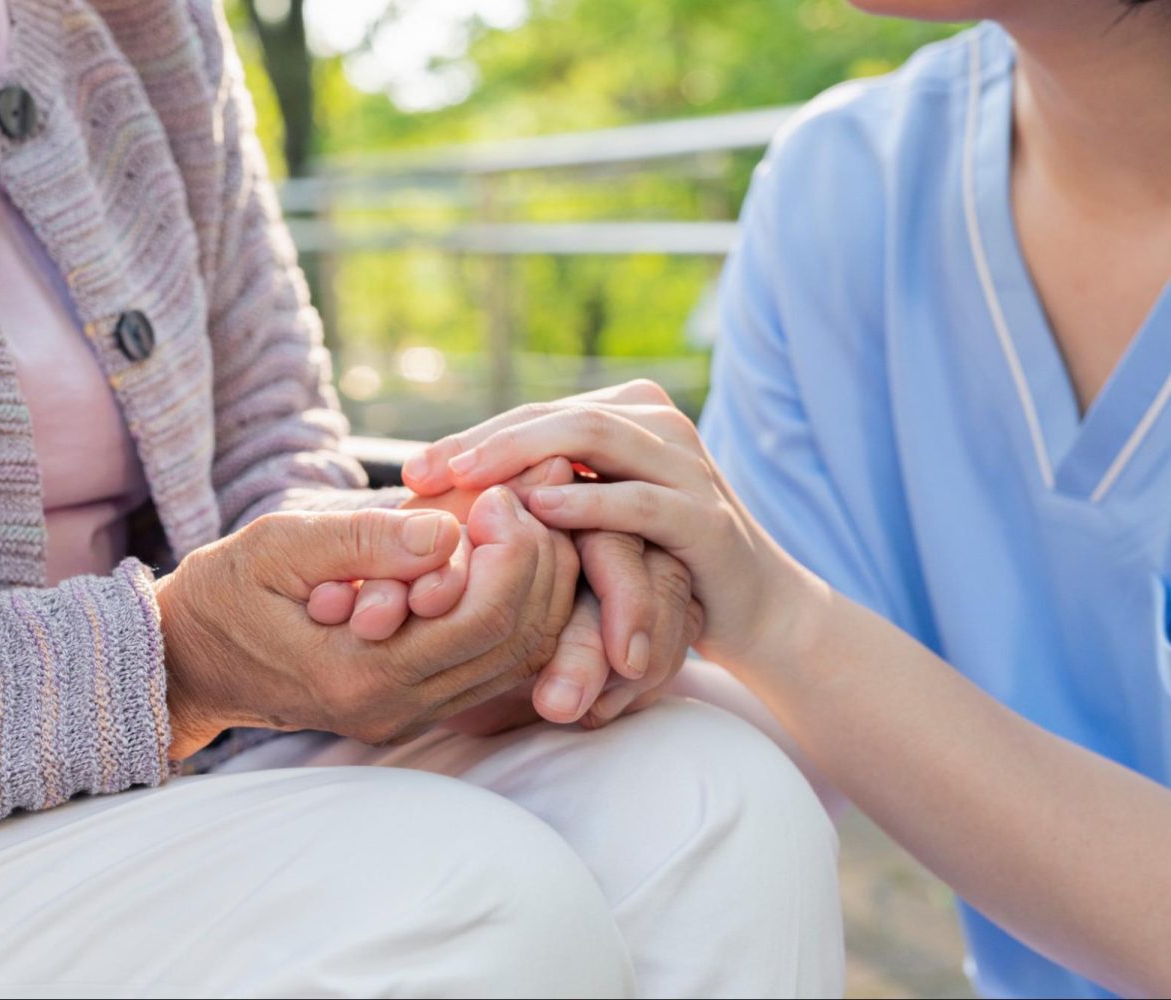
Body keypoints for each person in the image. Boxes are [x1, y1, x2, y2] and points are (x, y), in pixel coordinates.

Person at [0, 1, 842, 996]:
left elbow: (273, 420)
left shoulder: (146, 23)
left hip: (191, 764)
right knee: (465, 905)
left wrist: (423, 604)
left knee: (719, 798)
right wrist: (174, 663)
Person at [401, 0, 1171, 996]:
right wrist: (558, 619)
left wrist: (781, 617)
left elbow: (793, 636)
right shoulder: (846, 188)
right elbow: (783, 713)